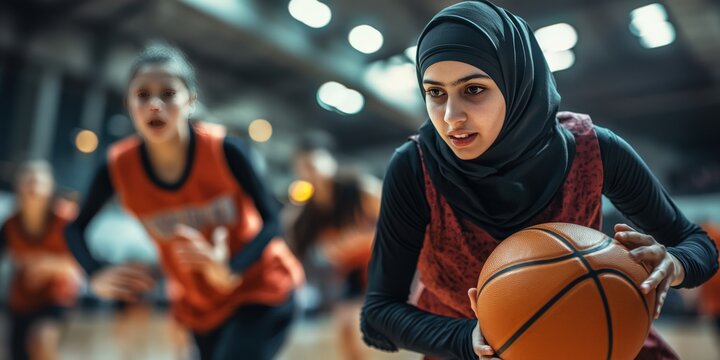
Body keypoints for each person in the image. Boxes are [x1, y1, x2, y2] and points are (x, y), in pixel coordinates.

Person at [359, 1, 719, 359]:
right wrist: (468, 337)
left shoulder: (593, 149)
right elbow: (379, 311)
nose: (451, 117)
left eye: (473, 90)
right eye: (435, 93)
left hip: (586, 339)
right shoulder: (413, 167)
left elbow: (697, 244)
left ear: (516, 81)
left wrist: (673, 264)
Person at [64, 44, 304, 360]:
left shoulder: (226, 151)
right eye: (143, 95)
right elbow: (75, 228)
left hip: (260, 287)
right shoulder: (117, 166)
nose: (154, 104)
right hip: (200, 304)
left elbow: (273, 217)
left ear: (190, 101)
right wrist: (94, 272)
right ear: (129, 104)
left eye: (167, 94)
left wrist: (232, 268)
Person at [289, 132, 380, 360]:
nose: (309, 172)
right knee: (345, 327)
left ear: (328, 161)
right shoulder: (306, 215)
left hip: (386, 265)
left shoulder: (360, 190)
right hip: (353, 274)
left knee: (394, 328)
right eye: (302, 167)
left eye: (312, 164)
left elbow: (401, 220)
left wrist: (366, 239)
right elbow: (300, 253)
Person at [1, 161, 82, 360]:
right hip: (21, 301)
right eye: (28, 181)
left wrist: (47, 265)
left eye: (38, 182)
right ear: (19, 187)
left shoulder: (65, 220)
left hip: (56, 298)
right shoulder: (10, 224)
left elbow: (80, 262)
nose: (33, 187)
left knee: (41, 340)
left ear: (50, 187)